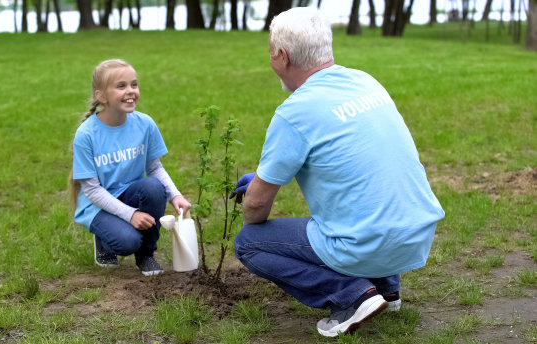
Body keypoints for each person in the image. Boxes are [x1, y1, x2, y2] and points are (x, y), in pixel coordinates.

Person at [231, 8, 445, 338]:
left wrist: (258, 221)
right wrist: (260, 176)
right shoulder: (365, 81)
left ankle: (351, 295)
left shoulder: (295, 112)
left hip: (370, 244)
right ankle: (387, 290)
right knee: (364, 201)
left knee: (249, 243)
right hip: (415, 234)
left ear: (282, 56)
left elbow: (256, 206)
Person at [70, 59, 191, 276]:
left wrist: (176, 196)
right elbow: (93, 191)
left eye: (134, 85)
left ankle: (146, 255)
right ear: (101, 96)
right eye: (121, 86)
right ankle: (104, 239)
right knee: (127, 241)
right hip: (97, 205)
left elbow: (154, 168)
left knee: (154, 187)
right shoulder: (86, 135)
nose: (130, 91)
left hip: (128, 194)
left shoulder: (145, 124)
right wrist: (131, 215)